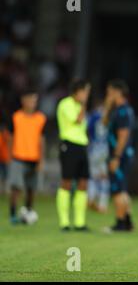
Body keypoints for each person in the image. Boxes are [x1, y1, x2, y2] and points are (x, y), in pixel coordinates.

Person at [56, 79, 91, 231]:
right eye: (84, 92)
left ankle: (79, 223)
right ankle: (64, 222)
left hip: (82, 146)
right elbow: (77, 120)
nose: (85, 95)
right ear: (76, 91)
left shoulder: (79, 106)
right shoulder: (65, 104)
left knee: (83, 183)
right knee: (67, 182)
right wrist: (84, 104)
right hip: (69, 145)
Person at [8, 90, 46, 224]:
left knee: (31, 189)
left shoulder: (40, 118)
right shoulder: (16, 117)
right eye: (30, 100)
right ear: (23, 100)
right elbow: (10, 137)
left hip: (34, 158)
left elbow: (41, 140)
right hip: (18, 156)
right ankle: (12, 214)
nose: (33, 103)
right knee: (16, 188)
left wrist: (41, 159)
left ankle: (29, 213)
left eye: (35, 100)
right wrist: (9, 155)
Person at [102, 79, 135, 232]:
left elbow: (123, 136)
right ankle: (127, 222)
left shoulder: (122, 111)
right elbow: (104, 123)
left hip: (119, 155)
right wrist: (108, 107)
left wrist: (115, 157)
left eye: (109, 92)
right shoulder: (121, 110)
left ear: (117, 92)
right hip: (122, 154)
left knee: (117, 190)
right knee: (122, 190)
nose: (107, 95)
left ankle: (120, 224)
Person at [87, 101, 109, 213]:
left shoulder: (94, 116)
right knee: (104, 177)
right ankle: (102, 204)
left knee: (92, 177)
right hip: (104, 150)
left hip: (94, 149)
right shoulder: (109, 115)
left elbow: (89, 131)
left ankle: (90, 198)